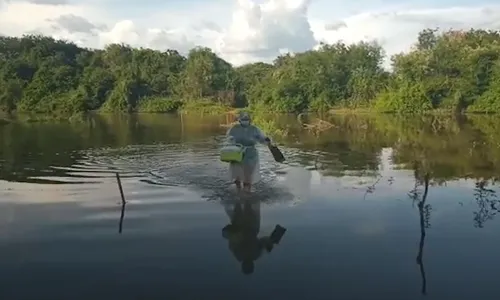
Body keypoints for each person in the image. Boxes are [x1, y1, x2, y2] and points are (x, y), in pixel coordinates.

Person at [226, 111, 270, 192]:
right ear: (239, 120)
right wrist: (231, 140)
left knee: (248, 174)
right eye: (243, 119)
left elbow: (262, 138)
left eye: (247, 119)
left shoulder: (254, 129)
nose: (245, 121)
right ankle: (238, 190)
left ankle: (247, 192)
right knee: (237, 175)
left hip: (251, 154)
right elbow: (229, 137)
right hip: (237, 153)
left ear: (250, 120)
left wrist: (266, 140)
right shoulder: (235, 128)